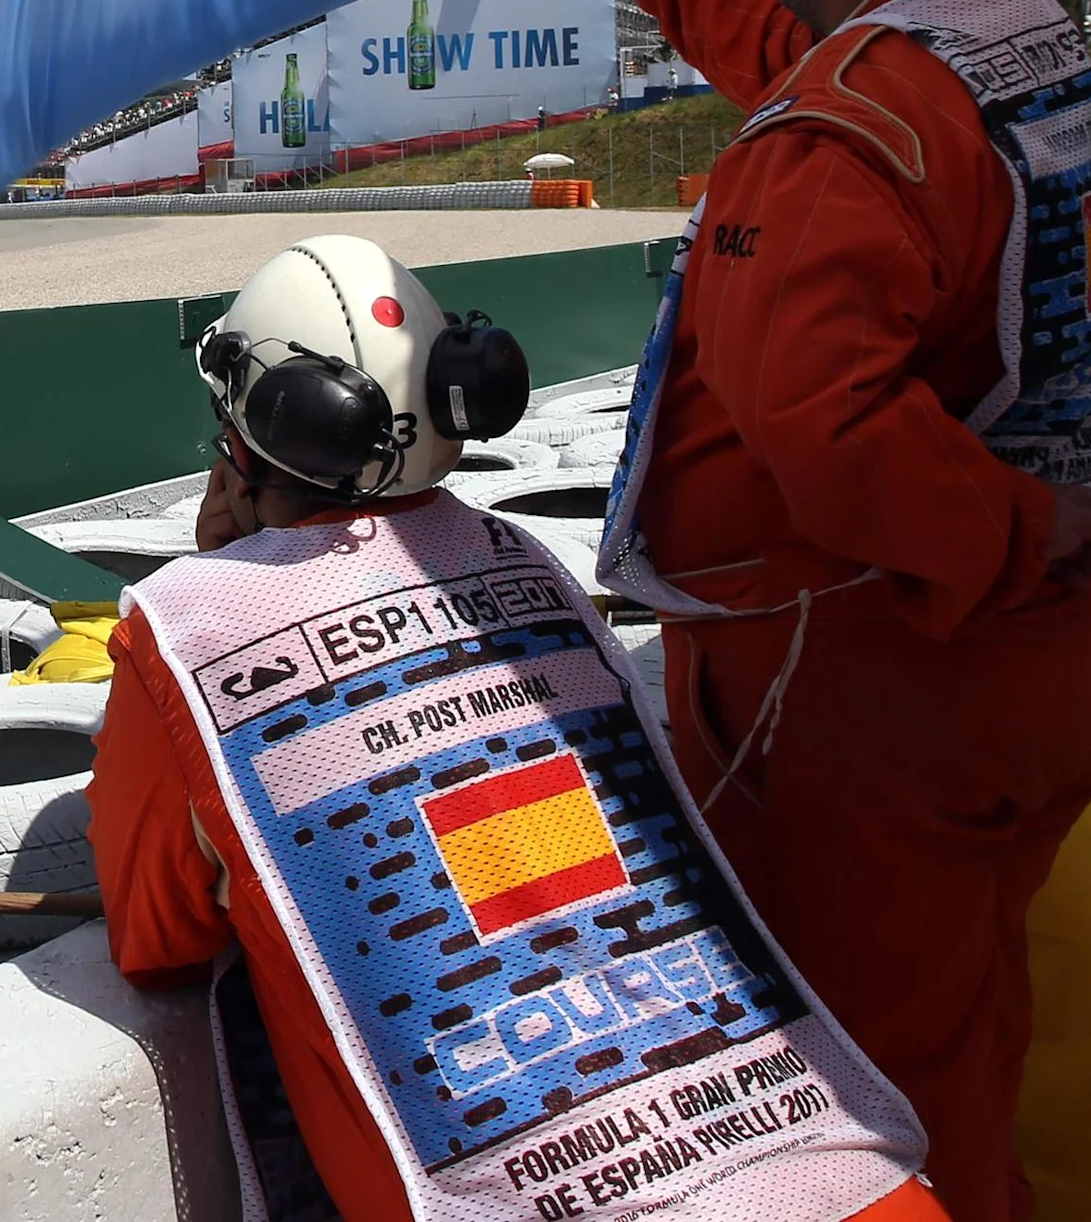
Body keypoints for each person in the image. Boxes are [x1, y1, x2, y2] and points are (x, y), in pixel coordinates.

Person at [567, 0, 1091, 1222]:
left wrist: (1019, 531)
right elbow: (799, 44)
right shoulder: (1012, 42)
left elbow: (829, 439)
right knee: (963, 1041)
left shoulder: (833, 138)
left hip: (879, 686)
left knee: (855, 1106)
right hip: (1035, 668)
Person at [91, 235, 948, 1222]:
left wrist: (222, 576)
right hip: (862, 1183)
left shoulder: (188, 633)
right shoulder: (528, 567)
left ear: (253, 436)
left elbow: (157, 938)